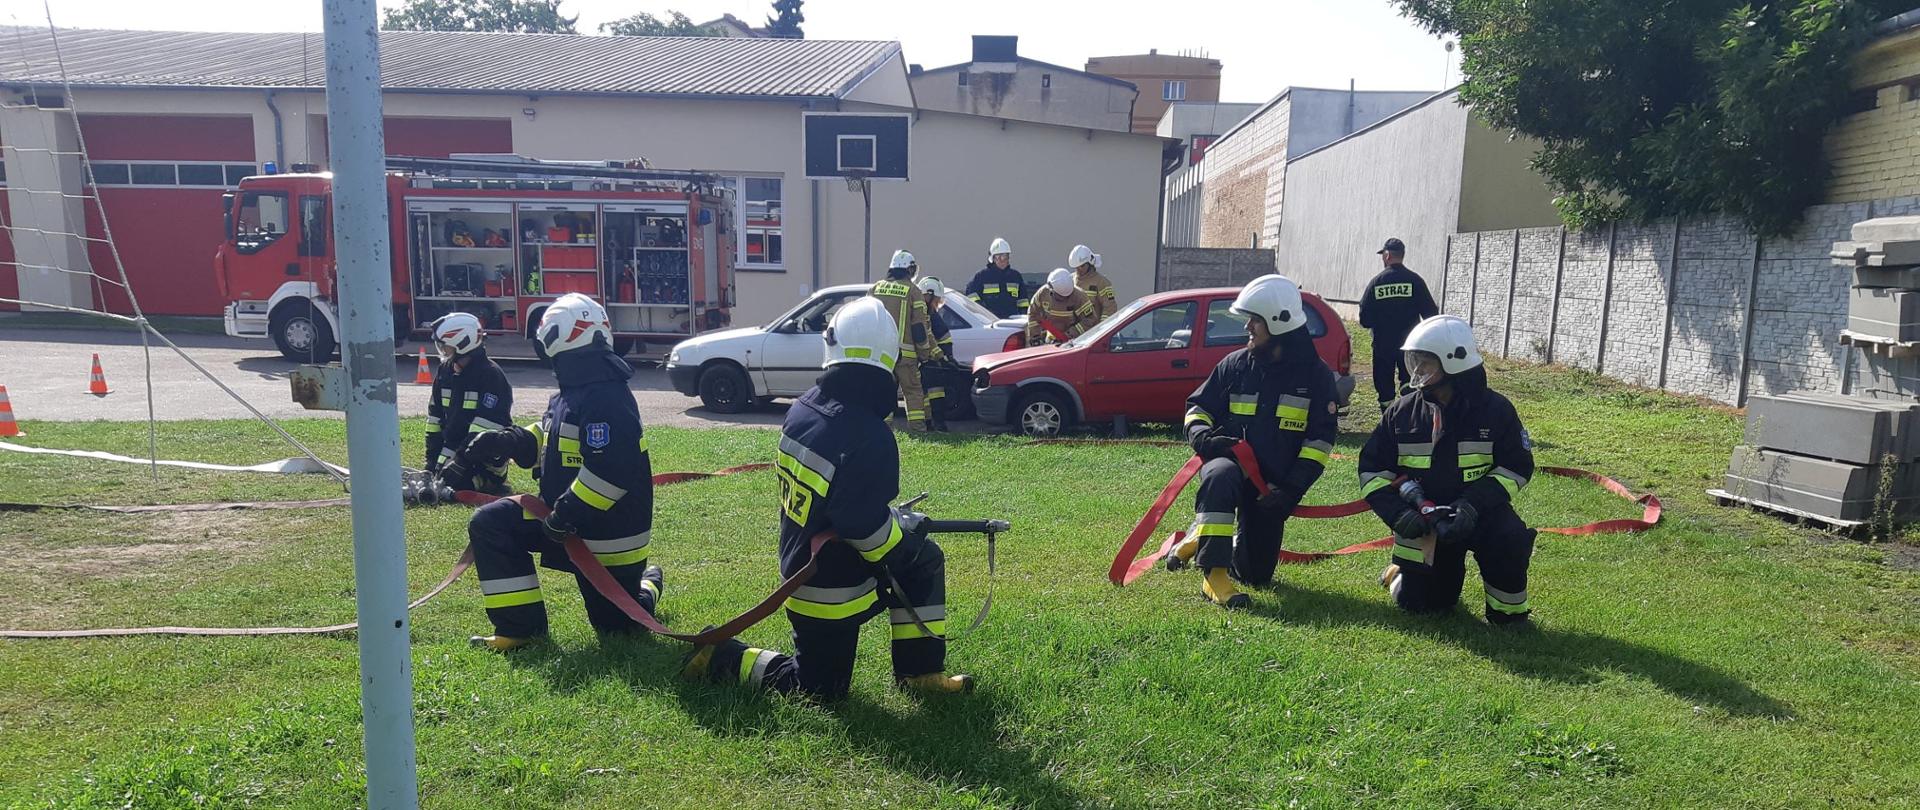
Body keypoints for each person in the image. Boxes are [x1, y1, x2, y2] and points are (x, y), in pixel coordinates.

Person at [682, 297, 974, 700]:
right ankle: (722, 655)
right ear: (889, 358)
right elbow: (862, 527)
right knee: (817, 690)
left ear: (830, 346)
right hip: (829, 585)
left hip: (805, 565)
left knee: (923, 559)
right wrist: (903, 538)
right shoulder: (869, 435)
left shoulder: (803, 410)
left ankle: (920, 674)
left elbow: (838, 500)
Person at [458, 294, 662, 650]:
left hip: (606, 534)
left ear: (556, 337)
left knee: (618, 629)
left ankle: (647, 585)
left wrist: (563, 516)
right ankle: (520, 632)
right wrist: (510, 441)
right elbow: (553, 438)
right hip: (564, 518)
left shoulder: (605, 398)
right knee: (490, 523)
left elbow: (610, 473)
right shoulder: (575, 391)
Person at [1164, 274, 1339, 609]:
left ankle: (1198, 537)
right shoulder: (1236, 365)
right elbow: (1197, 406)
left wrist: (1289, 491)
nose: (1247, 329)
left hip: (1271, 488)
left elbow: (1319, 443)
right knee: (1220, 475)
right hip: (1229, 465)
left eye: (1254, 322)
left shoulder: (1315, 377)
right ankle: (1213, 577)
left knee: (1255, 574)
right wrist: (1203, 437)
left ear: (1278, 324)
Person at [1359, 314, 1536, 625]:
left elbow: (1517, 467)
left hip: (1481, 512)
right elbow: (1373, 469)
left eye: (1426, 363)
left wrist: (1472, 505)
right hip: (1425, 520)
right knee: (1425, 606)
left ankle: (1507, 613)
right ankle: (1398, 576)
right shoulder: (1402, 413)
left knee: (1508, 538)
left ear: (1454, 364)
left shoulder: (1496, 411)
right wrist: (1400, 516)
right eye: (1416, 361)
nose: (1416, 371)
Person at [423, 312, 514, 495]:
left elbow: (486, 432)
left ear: (463, 343)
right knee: (434, 481)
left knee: (457, 485)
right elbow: (435, 417)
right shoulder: (445, 371)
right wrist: (432, 462)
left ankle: (487, 482)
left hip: (484, 461)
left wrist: (460, 463)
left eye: (445, 346)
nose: (442, 351)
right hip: (454, 451)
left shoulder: (490, 376)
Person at [1358, 238, 1439, 411]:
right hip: (1410, 346)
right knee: (1409, 381)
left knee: (1384, 385)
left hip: (1383, 345)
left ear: (1387, 256)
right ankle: (1409, 415)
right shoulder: (1415, 281)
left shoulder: (1376, 282)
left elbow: (1364, 319)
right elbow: (1431, 315)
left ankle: (1388, 416)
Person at [872, 250, 940, 432]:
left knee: (882, 392)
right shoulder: (913, 291)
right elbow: (919, 327)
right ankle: (918, 430)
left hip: (880, 355)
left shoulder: (875, 288)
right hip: (906, 356)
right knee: (913, 392)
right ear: (909, 270)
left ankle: (882, 430)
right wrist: (925, 353)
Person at [917, 276, 964, 432]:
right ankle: (930, 424)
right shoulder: (921, 312)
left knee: (933, 391)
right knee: (926, 393)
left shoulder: (929, 313)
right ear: (928, 295)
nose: (938, 303)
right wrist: (942, 357)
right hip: (925, 360)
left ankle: (934, 423)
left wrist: (948, 357)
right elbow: (927, 337)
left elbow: (941, 336)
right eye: (936, 299)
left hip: (931, 360)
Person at [1024, 268, 1100, 346]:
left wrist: (1069, 334)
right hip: (1050, 339)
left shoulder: (1079, 297)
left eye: (1066, 297)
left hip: (1075, 342)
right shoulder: (1043, 294)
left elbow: (1090, 319)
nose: (1063, 299)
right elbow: (1033, 313)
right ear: (1051, 288)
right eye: (1059, 296)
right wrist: (1035, 336)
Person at [966, 237, 1027, 319]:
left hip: (1012, 323)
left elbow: (1023, 302)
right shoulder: (981, 277)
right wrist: (984, 312)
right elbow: (971, 297)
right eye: (998, 257)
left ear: (1008, 257)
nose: (1002, 260)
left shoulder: (1015, 276)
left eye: (1004, 256)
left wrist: (1023, 317)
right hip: (990, 323)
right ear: (992, 259)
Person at [1068, 244, 1118, 322]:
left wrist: (1102, 328)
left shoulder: (1101, 282)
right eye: (1076, 267)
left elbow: (1110, 308)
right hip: (1073, 331)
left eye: (1082, 266)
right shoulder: (1070, 280)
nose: (1079, 269)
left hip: (1093, 331)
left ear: (1089, 263)